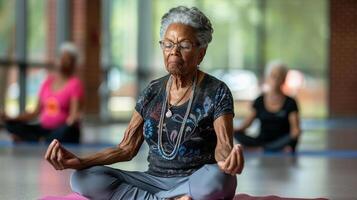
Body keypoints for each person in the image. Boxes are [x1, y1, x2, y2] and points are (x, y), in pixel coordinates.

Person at [44, 6, 244, 200]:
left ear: (201, 52)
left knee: (220, 179)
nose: (174, 52)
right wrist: (80, 161)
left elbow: (224, 144)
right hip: (153, 180)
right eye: (168, 44)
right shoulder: (152, 91)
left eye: (184, 46)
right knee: (82, 178)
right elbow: (126, 148)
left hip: (195, 179)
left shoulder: (216, 90)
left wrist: (227, 160)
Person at [0, 42, 84, 143]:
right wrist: (13, 118)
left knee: (68, 130)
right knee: (11, 124)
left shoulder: (75, 84)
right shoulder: (47, 83)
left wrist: (72, 121)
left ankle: (36, 139)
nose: (63, 61)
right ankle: (41, 139)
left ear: (73, 64)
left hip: (62, 130)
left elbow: (74, 115)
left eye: (68, 59)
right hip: (44, 129)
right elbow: (35, 112)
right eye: (62, 57)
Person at [234, 61, 301, 153]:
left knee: (292, 137)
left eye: (279, 76)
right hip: (261, 140)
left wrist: (294, 136)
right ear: (267, 77)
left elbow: (295, 130)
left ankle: (266, 148)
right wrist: (232, 130)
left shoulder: (290, 102)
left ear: (284, 79)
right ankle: (266, 148)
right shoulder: (259, 100)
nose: (275, 79)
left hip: (281, 141)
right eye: (273, 76)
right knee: (235, 134)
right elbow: (246, 125)